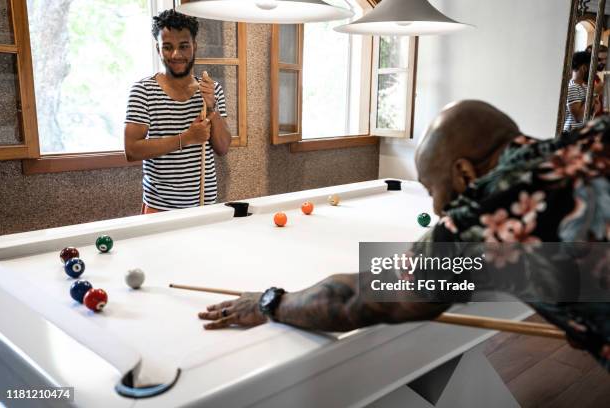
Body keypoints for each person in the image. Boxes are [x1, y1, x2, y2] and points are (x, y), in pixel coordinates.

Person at [199, 101, 610, 371]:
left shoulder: (482, 222)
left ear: (465, 173)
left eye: (435, 190)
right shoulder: (594, 133)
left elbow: (359, 299)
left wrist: (272, 301)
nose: (436, 210)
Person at [125, 10, 231, 213]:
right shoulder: (143, 91)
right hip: (160, 208)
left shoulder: (211, 88)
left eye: (183, 46)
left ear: (194, 47)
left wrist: (211, 109)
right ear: (158, 49)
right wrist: (187, 137)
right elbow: (131, 150)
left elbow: (223, 148)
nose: (176, 55)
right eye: (168, 47)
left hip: (204, 206)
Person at [564, 51, 600, 132]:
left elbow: (591, 113)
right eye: (594, 69)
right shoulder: (572, 87)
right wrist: (594, 93)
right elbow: (579, 117)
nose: (596, 73)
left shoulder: (585, 87)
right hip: (571, 136)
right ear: (584, 68)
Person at [586, 44, 608, 117]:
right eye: (600, 59)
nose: (604, 62)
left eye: (606, 59)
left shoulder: (597, 78)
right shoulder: (584, 79)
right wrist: (595, 92)